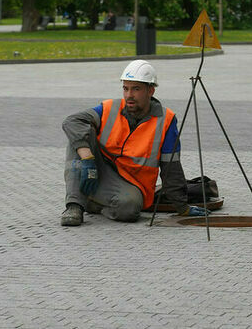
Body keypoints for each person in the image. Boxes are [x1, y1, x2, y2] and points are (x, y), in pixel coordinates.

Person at [60, 60, 208, 226]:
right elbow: (72, 121)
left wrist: (182, 207)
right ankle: (74, 205)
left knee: (129, 209)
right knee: (79, 134)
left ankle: (91, 202)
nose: (129, 95)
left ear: (150, 91)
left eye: (136, 89)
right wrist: (87, 157)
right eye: (126, 88)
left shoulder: (165, 121)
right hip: (97, 165)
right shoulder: (109, 108)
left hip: (131, 183)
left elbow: (171, 167)